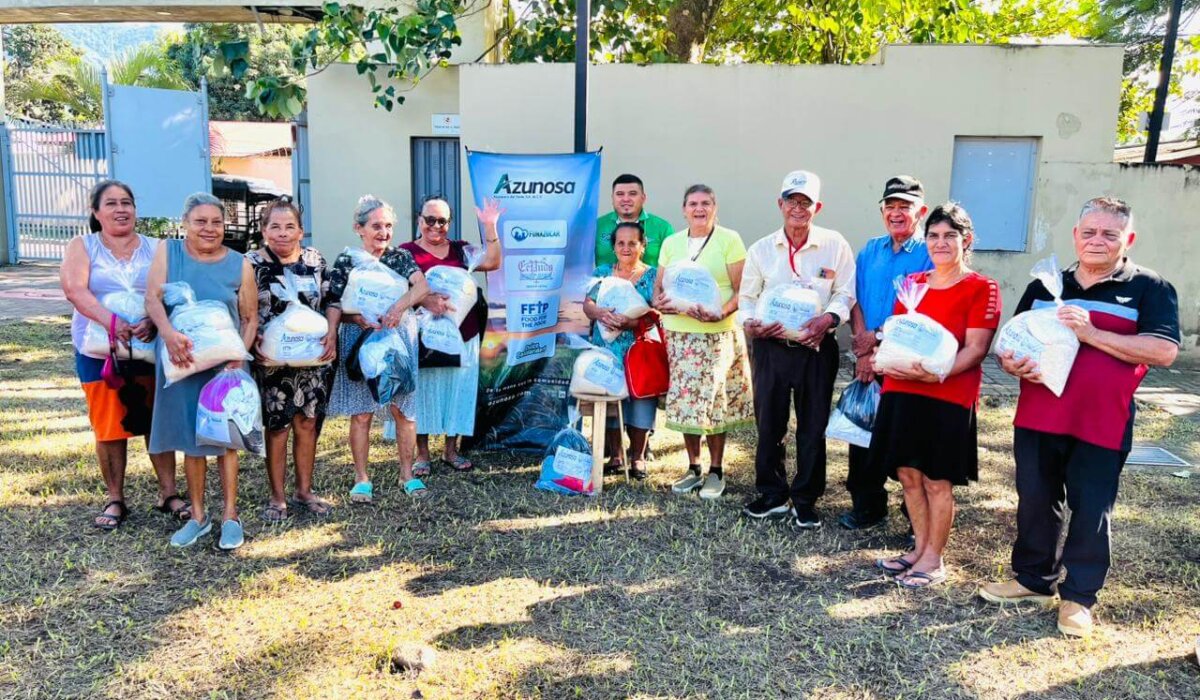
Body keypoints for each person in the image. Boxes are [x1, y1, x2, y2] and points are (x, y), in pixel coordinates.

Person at [980, 197, 1180, 637]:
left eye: (1109, 234)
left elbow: (1164, 350)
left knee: (1091, 508)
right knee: (1035, 498)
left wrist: (1089, 332)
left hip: (1101, 421)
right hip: (1037, 415)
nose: (1097, 241)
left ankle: (1079, 598)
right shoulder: (1045, 283)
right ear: (1075, 235)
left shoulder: (1151, 287)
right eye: (1089, 232)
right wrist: (1011, 363)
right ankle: (1034, 579)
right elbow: (1010, 341)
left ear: (1127, 239)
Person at [868, 203, 1000, 589]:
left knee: (937, 480)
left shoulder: (982, 287)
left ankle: (934, 559)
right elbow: (896, 334)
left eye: (949, 236)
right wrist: (883, 358)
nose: (940, 243)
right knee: (908, 474)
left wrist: (934, 373)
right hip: (901, 390)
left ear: (966, 241)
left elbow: (976, 348)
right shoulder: (912, 283)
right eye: (933, 236)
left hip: (947, 395)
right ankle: (918, 549)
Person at [60, 180, 186, 529]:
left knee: (156, 419)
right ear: (96, 212)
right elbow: (74, 289)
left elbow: (173, 290)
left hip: (150, 345)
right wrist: (111, 322)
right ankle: (116, 497)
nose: (121, 209)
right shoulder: (82, 246)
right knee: (109, 423)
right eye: (112, 203)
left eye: (127, 202)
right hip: (99, 349)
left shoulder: (156, 247)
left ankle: (169, 493)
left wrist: (153, 320)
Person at [739, 170, 856, 530]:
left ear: (817, 207)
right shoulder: (761, 249)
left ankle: (805, 499)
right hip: (772, 349)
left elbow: (845, 292)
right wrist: (752, 324)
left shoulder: (835, 244)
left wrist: (828, 320)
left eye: (805, 202)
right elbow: (746, 299)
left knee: (812, 426)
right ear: (780, 204)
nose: (798, 208)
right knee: (770, 423)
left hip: (817, 350)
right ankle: (772, 493)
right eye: (792, 200)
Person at [146, 193, 258, 550]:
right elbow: (152, 299)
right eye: (201, 222)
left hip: (226, 366)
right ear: (185, 224)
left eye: (216, 222)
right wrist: (168, 334)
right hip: (182, 363)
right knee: (191, 440)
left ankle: (230, 515)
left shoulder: (240, 263)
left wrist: (238, 354)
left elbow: (250, 317)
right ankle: (197, 516)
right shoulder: (169, 252)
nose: (209, 229)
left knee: (225, 439)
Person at [840, 176, 933, 530]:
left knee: (908, 438)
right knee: (862, 431)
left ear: (920, 211)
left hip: (907, 360)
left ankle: (916, 517)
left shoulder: (929, 252)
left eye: (904, 207)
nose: (896, 213)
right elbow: (855, 299)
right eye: (890, 206)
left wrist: (877, 342)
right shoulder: (870, 250)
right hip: (869, 356)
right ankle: (867, 506)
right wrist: (863, 349)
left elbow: (924, 311)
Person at [325, 195, 431, 501]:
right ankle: (361, 478)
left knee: (404, 410)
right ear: (359, 228)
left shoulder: (399, 258)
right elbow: (334, 300)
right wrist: (348, 320)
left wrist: (398, 309)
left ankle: (407, 475)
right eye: (376, 226)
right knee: (362, 412)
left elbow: (421, 287)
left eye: (388, 226)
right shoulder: (348, 260)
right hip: (360, 339)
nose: (383, 232)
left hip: (398, 339)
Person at [652, 184, 753, 499]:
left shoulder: (729, 240)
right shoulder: (671, 243)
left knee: (713, 401)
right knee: (685, 403)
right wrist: (662, 304)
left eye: (706, 203)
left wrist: (718, 313)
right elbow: (658, 290)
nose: (699, 209)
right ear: (684, 209)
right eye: (693, 203)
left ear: (715, 207)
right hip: (679, 336)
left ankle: (716, 470)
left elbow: (742, 291)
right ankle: (694, 468)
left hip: (716, 334)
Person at [247, 197, 336, 521]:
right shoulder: (252, 263)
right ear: (263, 230)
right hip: (273, 362)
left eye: (289, 227)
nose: (282, 233)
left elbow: (331, 301)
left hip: (313, 359)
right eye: (275, 226)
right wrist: (250, 333)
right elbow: (241, 305)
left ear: (300, 230)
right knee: (278, 426)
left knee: (308, 423)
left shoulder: (315, 260)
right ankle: (277, 497)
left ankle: (304, 490)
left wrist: (332, 333)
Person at [400, 195, 501, 474]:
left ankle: (450, 450)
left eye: (442, 221)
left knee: (458, 391)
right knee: (423, 392)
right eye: (429, 220)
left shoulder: (461, 250)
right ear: (419, 220)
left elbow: (492, 261)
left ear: (449, 223)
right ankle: (422, 454)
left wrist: (490, 225)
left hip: (462, 335)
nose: (435, 226)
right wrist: (425, 300)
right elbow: (398, 292)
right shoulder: (405, 252)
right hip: (422, 337)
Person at [584, 221, 660, 480]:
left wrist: (632, 322)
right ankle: (616, 455)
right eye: (620, 243)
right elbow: (588, 304)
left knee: (641, 400)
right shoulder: (602, 272)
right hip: (607, 348)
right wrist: (600, 313)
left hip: (640, 349)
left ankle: (637, 458)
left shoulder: (653, 275)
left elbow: (658, 312)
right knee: (609, 398)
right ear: (614, 247)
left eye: (632, 243)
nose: (626, 248)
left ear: (642, 246)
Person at [595, 174, 675, 267]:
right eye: (620, 194)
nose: (626, 199)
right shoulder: (596, 226)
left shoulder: (663, 228)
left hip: (651, 281)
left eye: (632, 194)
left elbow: (673, 267)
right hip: (604, 281)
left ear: (643, 198)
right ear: (612, 198)